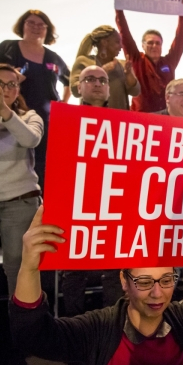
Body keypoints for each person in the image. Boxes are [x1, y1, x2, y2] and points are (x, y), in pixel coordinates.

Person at [9, 206, 183, 365]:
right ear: (124, 281)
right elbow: (34, 337)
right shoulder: (97, 330)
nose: (158, 293)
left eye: (166, 280)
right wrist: (29, 269)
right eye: (145, 282)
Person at [0, 10, 71, 191]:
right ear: (22, 26)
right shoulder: (8, 47)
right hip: (10, 117)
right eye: (31, 23)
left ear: (48, 30)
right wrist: (9, 75)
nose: (36, 28)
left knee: (43, 166)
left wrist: (64, 102)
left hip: (45, 122)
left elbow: (70, 80)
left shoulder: (53, 57)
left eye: (41, 25)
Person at [0, 64, 43, 316]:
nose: (7, 89)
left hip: (21, 202)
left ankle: (20, 325)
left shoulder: (29, 116)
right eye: (0, 83)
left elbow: (31, 139)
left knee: (18, 267)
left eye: (13, 84)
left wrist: (4, 111)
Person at [62, 65, 124, 316]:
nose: (97, 84)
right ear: (79, 87)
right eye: (90, 79)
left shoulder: (124, 122)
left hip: (113, 202)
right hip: (76, 201)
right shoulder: (65, 118)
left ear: (109, 87)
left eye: (102, 80)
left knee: (113, 268)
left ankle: (110, 327)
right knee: (74, 269)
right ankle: (74, 328)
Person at [111, 0, 183, 112]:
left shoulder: (169, 62)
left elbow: (180, 40)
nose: (154, 46)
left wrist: (182, 14)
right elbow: (124, 33)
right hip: (140, 117)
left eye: (158, 43)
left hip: (165, 116)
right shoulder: (137, 59)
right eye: (150, 43)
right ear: (143, 46)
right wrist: (118, 7)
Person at [71, 25, 140, 110]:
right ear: (104, 42)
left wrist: (129, 76)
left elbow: (136, 92)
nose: (121, 46)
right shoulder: (83, 61)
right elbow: (75, 90)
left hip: (117, 120)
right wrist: (101, 72)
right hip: (90, 118)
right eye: (117, 42)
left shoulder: (123, 65)